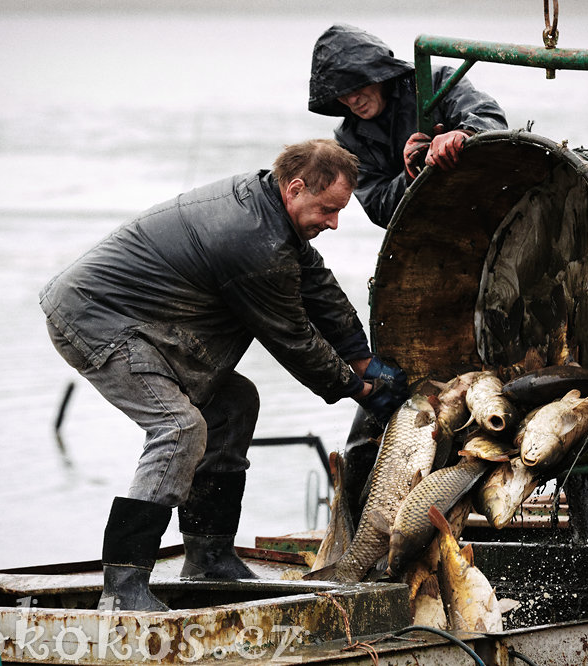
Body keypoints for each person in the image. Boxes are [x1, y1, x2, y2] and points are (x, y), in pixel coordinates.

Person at [40, 139, 409, 612]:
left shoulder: (275, 216)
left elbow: (317, 287)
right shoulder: (253, 241)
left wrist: (362, 357)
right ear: (295, 187)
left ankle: (208, 554)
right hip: (94, 318)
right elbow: (291, 336)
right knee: (178, 429)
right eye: (328, 209)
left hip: (146, 321)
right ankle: (123, 587)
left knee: (233, 404)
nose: (334, 222)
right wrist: (356, 389)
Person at [308, 23, 508, 228]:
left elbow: (489, 116)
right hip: (433, 225)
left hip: (487, 196)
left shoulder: (434, 82)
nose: (352, 100)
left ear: (378, 74)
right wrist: (410, 174)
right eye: (341, 94)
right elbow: (380, 210)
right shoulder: (348, 139)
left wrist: (462, 135)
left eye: (357, 87)